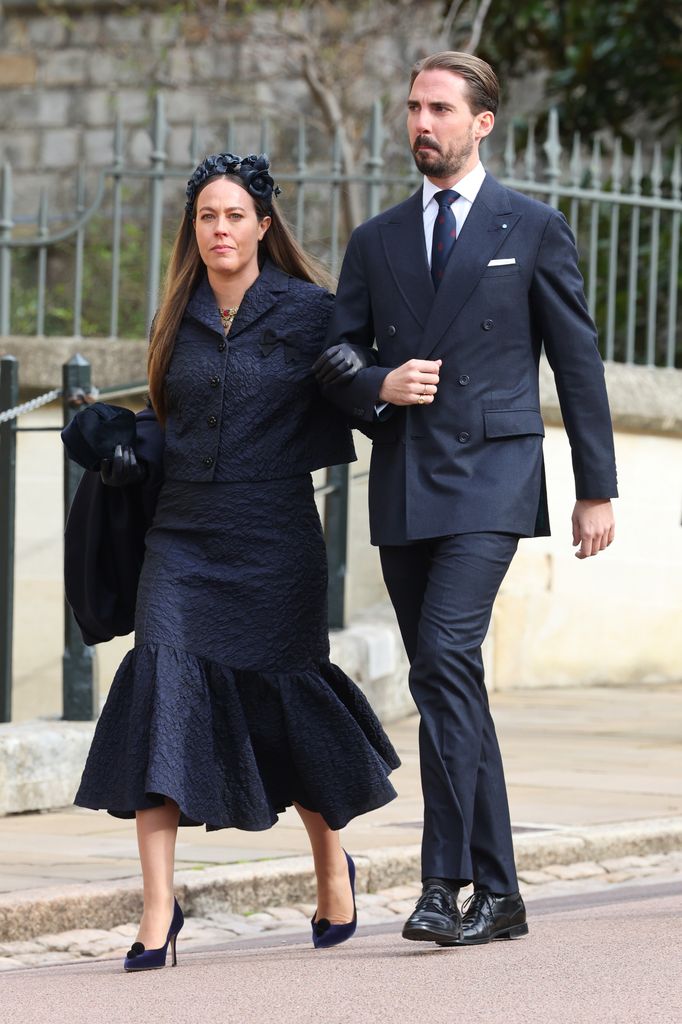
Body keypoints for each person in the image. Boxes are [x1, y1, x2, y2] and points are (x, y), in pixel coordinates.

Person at [65, 152, 400, 971]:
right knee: (158, 695)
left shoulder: (310, 312)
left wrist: (390, 385)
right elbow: (171, 424)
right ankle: (156, 913)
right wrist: (117, 438)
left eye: (234, 216)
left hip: (274, 540)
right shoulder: (174, 314)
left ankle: (331, 867)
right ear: (196, 229)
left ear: (263, 226)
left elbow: (359, 392)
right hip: (180, 540)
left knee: (285, 711)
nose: (220, 229)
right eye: (207, 217)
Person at [314, 51, 617, 948]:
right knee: (448, 680)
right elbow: (331, 360)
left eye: (440, 109)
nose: (422, 123)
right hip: (408, 477)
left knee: (443, 656)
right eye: (414, 107)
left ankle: (443, 882)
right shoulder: (376, 240)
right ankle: (505, 892)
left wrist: (596, 488)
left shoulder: (531, 225)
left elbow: (577, 360)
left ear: (482, 122)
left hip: (492, 475)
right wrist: (381, 382)